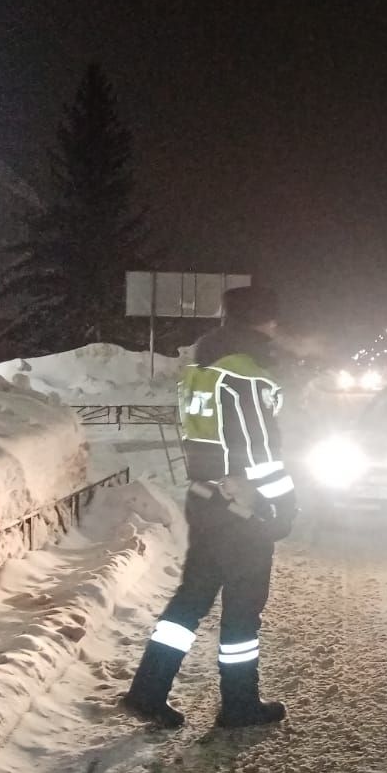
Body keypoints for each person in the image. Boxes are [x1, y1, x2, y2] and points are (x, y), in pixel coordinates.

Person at [122, 285, 297, 729]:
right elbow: (260, 453)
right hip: (243, 509)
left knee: (191, 600)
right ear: (263, 322)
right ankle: (239, 704)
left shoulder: (202, 367)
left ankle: (148, 691)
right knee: (242, 609)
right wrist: (283, 505)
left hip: (205, 497)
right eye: (273, 320)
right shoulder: (246, 372)